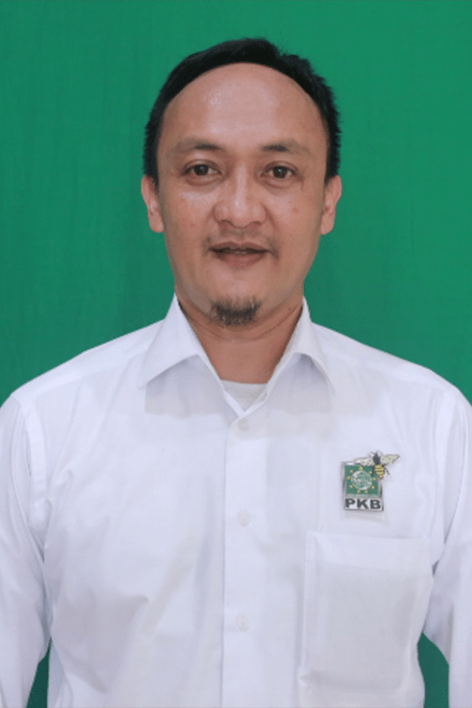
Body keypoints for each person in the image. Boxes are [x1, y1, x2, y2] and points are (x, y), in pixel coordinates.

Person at [0, 37, 470, 708]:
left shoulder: (433, 426)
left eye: (279, 172)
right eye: (202, 170)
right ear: (154, 199)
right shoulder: (41, 430)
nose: (240, 211)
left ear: (327, 202)